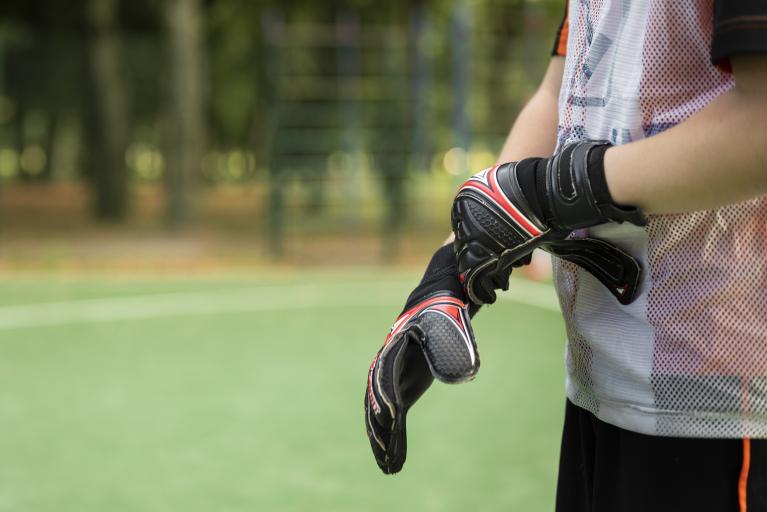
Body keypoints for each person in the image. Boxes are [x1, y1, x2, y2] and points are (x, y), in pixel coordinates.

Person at [366, 1, 767, 510]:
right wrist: (455, 266)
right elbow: (562, 91)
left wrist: (554, 193)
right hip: (599, 384)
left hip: (722, 401)